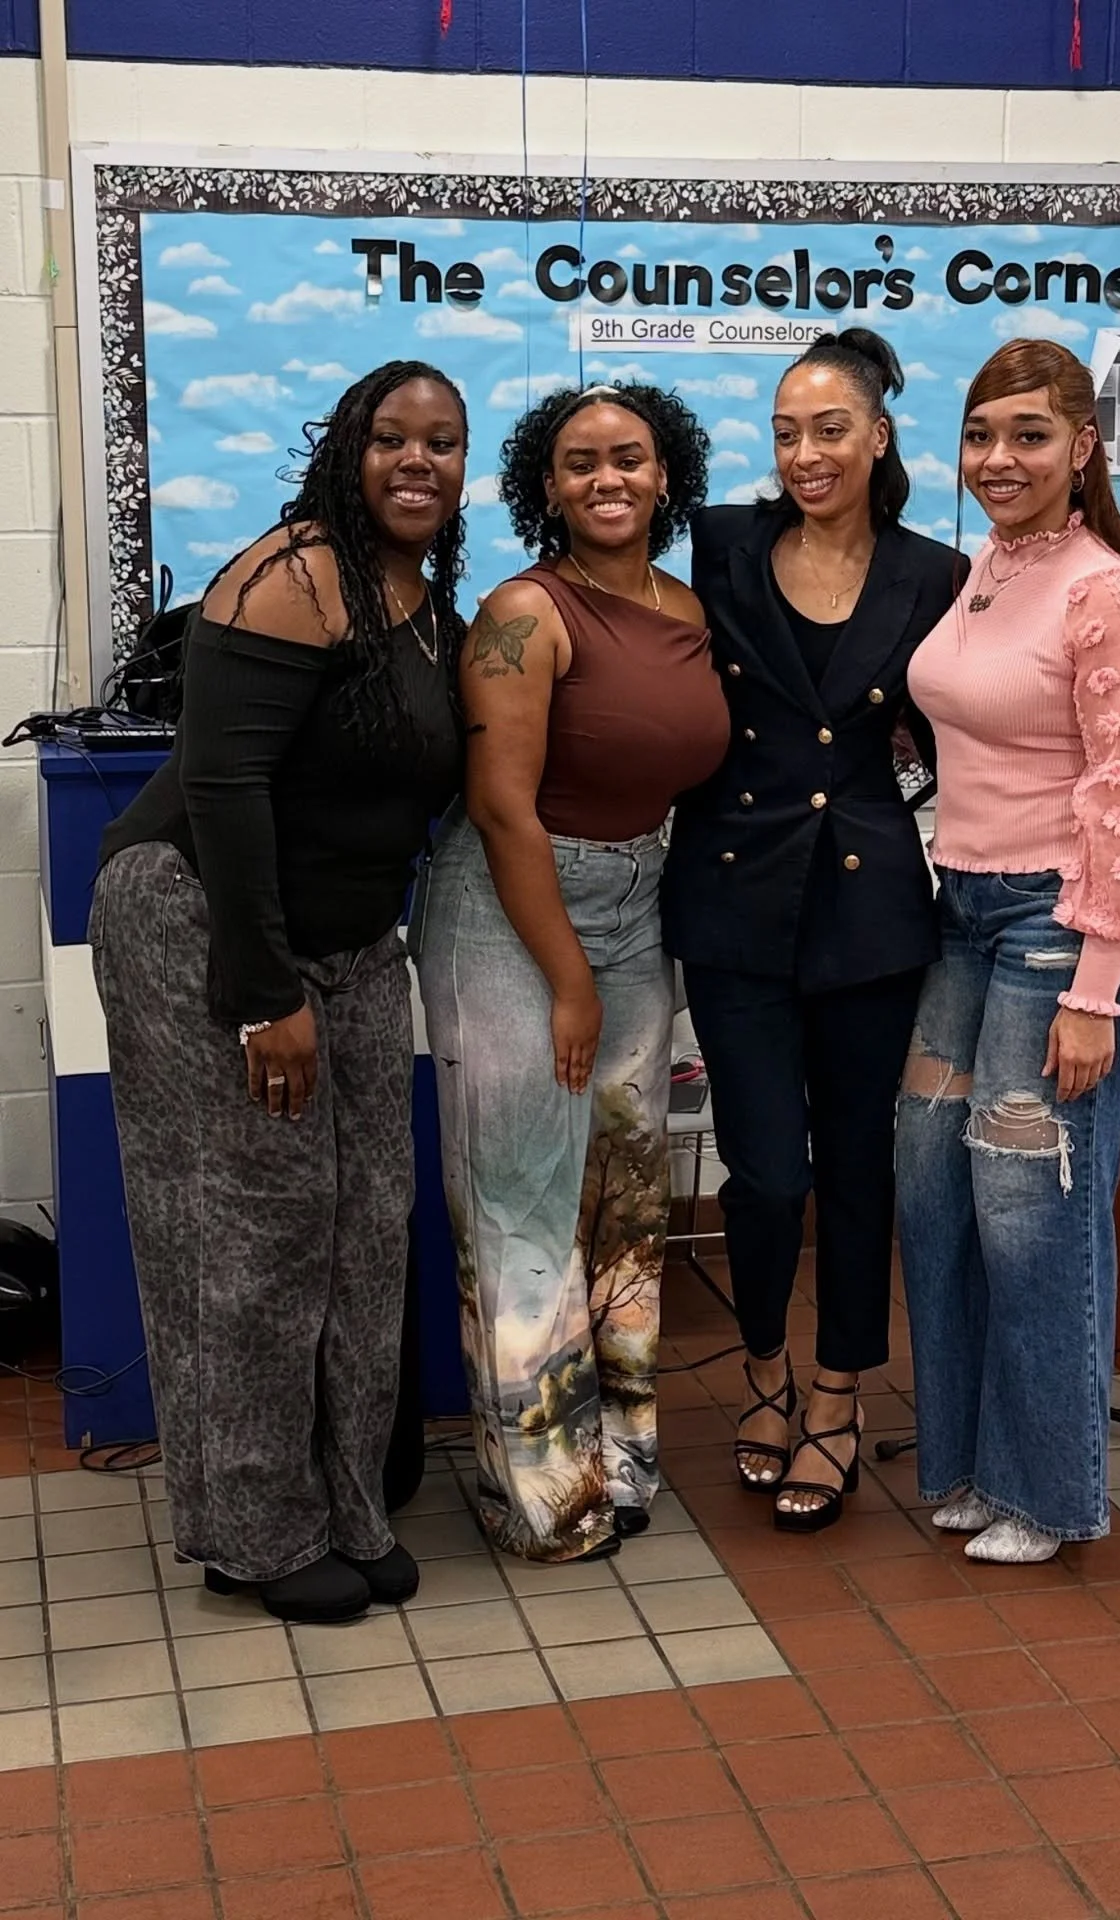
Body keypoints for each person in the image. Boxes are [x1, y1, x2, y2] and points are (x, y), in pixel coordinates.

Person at [90, 361, 468, 1621]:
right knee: (254, 1232)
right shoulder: (291, 574)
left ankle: (347, 1503)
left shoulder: (424, 597)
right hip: (207, 923)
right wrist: (261, 993)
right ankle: (251, 1531)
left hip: (357, 946)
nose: (417, 462)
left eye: (444, 443)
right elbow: (226, 787)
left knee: (367, 1228)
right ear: (345, 450)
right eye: (391, 439)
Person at [412, 381, 727, 1563]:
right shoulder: (523, 613)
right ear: (545, 484)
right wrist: (570, 979)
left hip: (639, 906)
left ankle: (621, 1459)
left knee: (627, 1199)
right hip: (513, 914)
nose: (609, 479)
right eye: (581, 462)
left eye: (631, 459)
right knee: (525, 1207)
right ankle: (544, 1492)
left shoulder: (683, 605)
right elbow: (500, 807)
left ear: (666, 474)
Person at [662, 329, 965, 1532]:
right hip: (734, 902)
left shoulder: (934, 574)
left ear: (879, 434)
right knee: (766, 1172)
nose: (804, 454)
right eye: (786, 432)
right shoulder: (726, 545)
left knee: (853, 1168)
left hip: (872, 908)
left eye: (828, 429)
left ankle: (835, 1395)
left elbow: (961, 734)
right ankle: (763, 1374)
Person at [898, 338, 1120, 1566]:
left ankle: (1053, 1491)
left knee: (1032, 1206)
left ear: (1083, 446)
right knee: (931, 1183)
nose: (998, 459)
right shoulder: (989, 568)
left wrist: (1095, 994)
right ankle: (966, 1461)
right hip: (963, 909)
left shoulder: (1105, 591)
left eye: (1027, 435)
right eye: (981, 436)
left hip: (1064, 926)